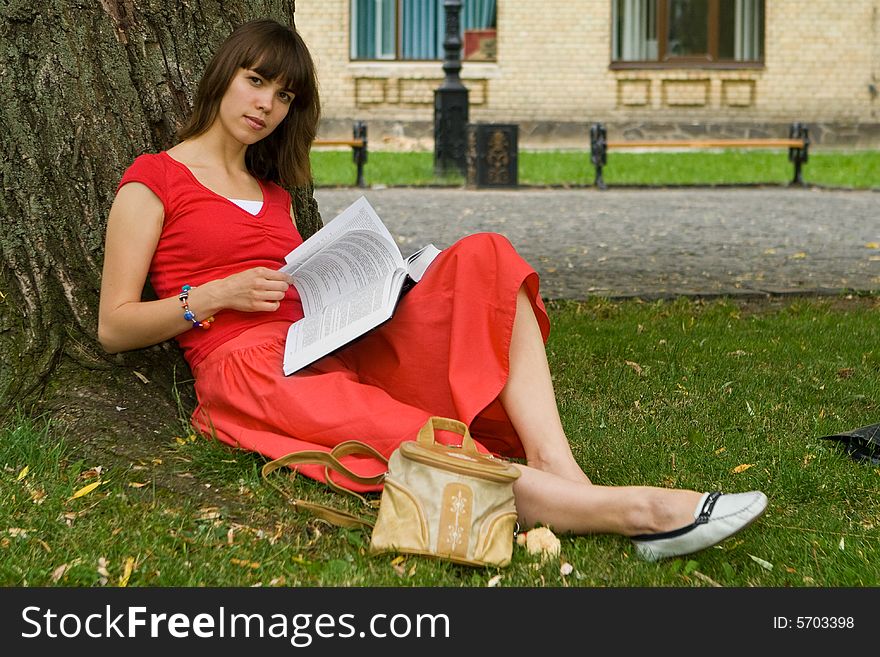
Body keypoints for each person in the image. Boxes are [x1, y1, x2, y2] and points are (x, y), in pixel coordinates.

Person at [97, 18, 767, 562]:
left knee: (485, 261)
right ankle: (642, 512)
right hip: (250, 370)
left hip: (326, 344)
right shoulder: (155, 178)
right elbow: (114, 324)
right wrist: (212, 296)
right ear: (223, 77)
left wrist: (389, 284)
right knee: (413, 434)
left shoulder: (272, 192)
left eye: (284, 96)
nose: (266, 105)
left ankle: (554, 460)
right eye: (256, 82)